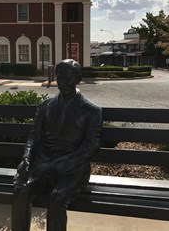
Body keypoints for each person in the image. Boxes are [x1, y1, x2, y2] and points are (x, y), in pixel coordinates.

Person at [12, 59, 102, 231]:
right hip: (44, 163)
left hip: (73, 168)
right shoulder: (45, 106)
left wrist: (57, 166)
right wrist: (26, 159)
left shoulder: (92, 110)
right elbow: (34, 137)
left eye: (68, 79)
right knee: (20, 191)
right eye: (60, 78)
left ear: (78, 79)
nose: (63, 83)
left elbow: (91, 148)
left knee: (57, 197)